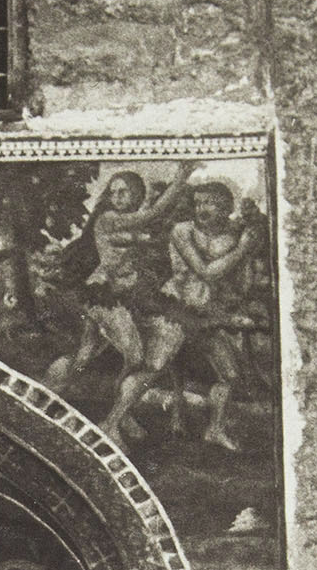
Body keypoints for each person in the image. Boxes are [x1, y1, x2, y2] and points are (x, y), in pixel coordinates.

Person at [104, 180, 262, 452]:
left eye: (210, 203)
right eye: (199, 202)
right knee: (153, 369)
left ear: (226, 208)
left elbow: (242, 283)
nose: (202, 209)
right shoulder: (183, 231)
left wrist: (233, 305)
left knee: (230, 376)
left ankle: (215, 429)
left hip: (207, 315)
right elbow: (207, 272)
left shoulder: (233, 237)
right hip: (175, 310)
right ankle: (110, 423)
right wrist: (243, 249)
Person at [45, 164, 195, 400]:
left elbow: (142, 227)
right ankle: (112, 412)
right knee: (134, 358)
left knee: (86, 354)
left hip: (122, 296)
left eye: (123, 192)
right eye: (113, 192)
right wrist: (180, 180)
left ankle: (51, 389)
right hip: (103, 295)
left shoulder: (127, 220)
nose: (116, 197)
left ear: (136, 194)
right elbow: (152, 215)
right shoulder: (107, 218)